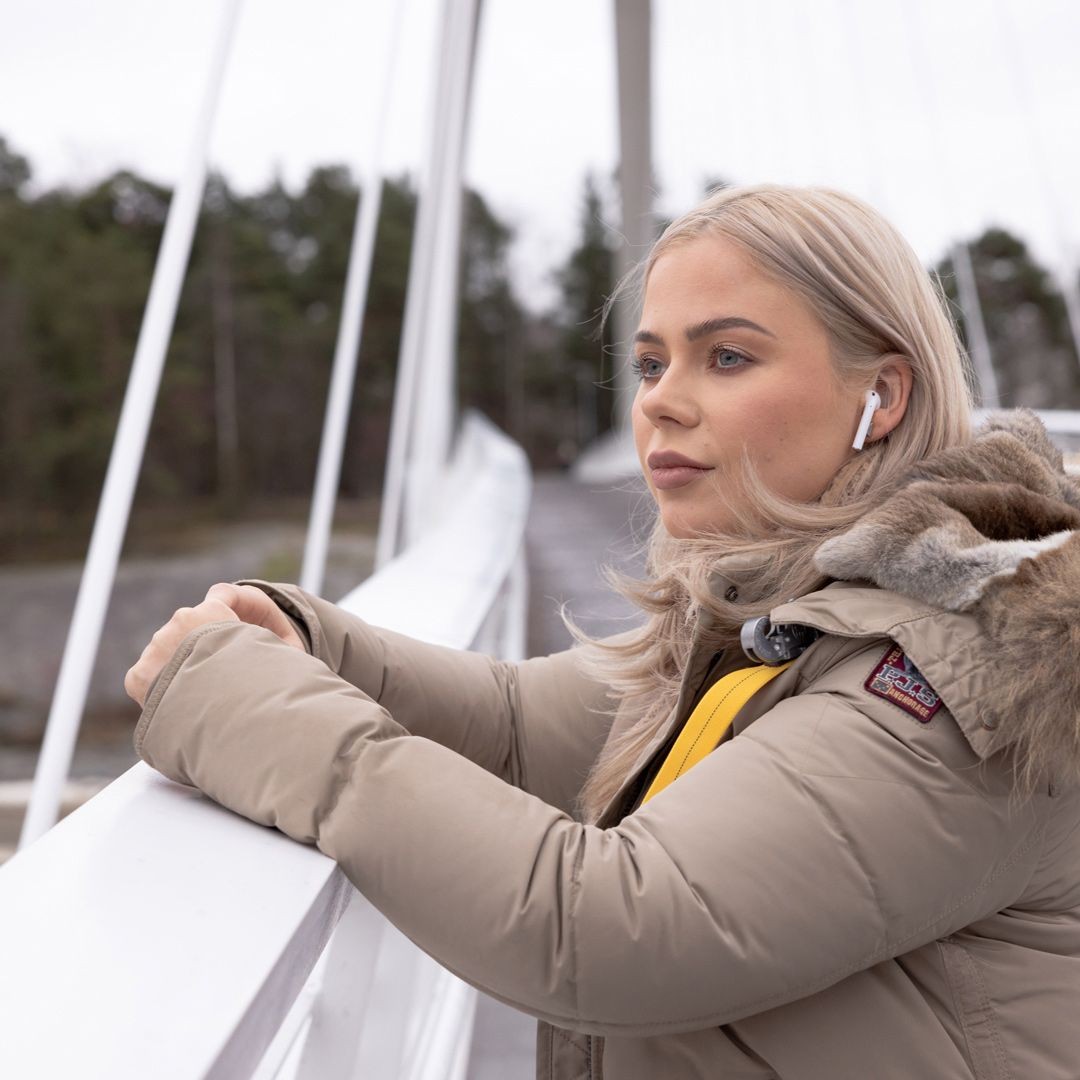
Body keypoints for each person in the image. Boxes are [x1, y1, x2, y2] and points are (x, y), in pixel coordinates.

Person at [125, 185, 1080, 1079]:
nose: (659, 399)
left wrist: (247, 712)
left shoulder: (972, 667)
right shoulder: (795, 616)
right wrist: (305, 638)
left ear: (886, 398)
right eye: (653, 362)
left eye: (729, 356)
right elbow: (517, 725)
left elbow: (606, 927)